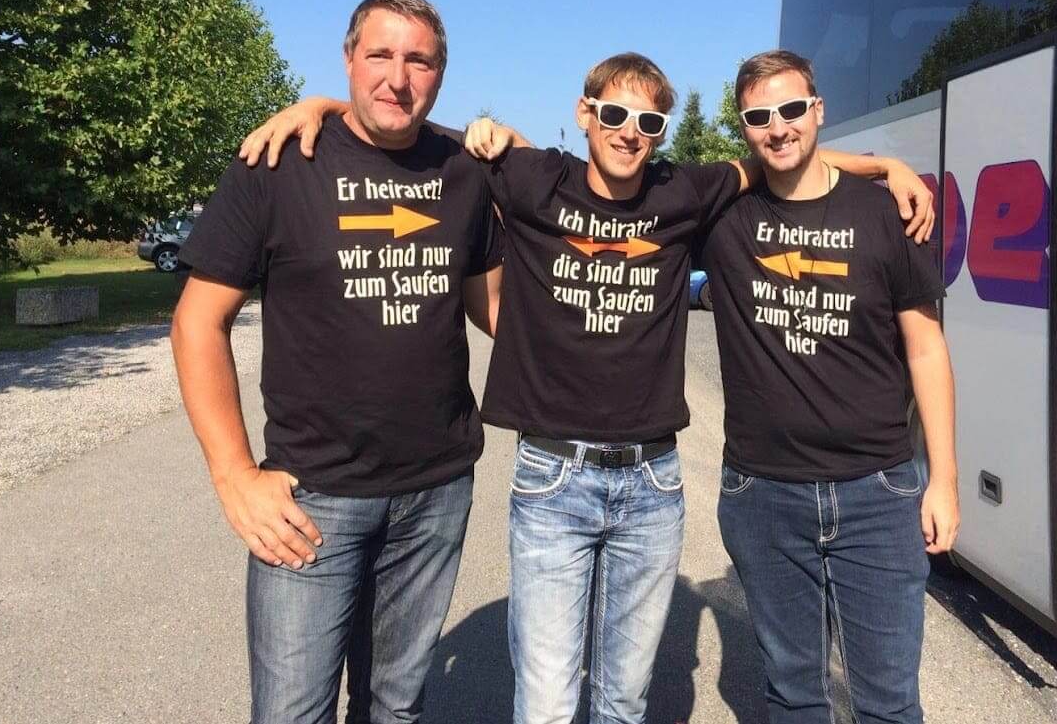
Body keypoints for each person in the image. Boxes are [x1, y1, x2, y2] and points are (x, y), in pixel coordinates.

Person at [242, 52, 933, 724]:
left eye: (648, 122)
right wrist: (324, 106)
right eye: (613, 114)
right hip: (553, 477)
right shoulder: (535, 177)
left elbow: (779, 155)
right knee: (546, 703)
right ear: (584, 113)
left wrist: (883, 167)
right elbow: (403, 123)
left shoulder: (683, 191)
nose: (629, 132)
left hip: (652, 482)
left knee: (624, 703)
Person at [170, 0, 503, 724]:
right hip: (311, 497)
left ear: (441, 73)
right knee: (293, 712)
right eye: (379, 54)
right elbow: (197, 322)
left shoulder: (464, 170)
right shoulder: (280, 162)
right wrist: (234, 475)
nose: (398, 77)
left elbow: (494, 310)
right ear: (348, 59)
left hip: (436, 490)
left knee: (395, 708)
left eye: (419, 60)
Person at [701, 50, 958, 724]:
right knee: (794, 695)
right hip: (763, 493)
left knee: (889, 702)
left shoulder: (884, 214)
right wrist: (883, 161)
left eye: (792, 108)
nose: (778, 126)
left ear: (818, 110)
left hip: (879, 491)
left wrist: (944, 480)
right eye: (759, 116)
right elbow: (625, 183)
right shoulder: (723, 215)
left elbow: (927, 347)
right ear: (743, 127)